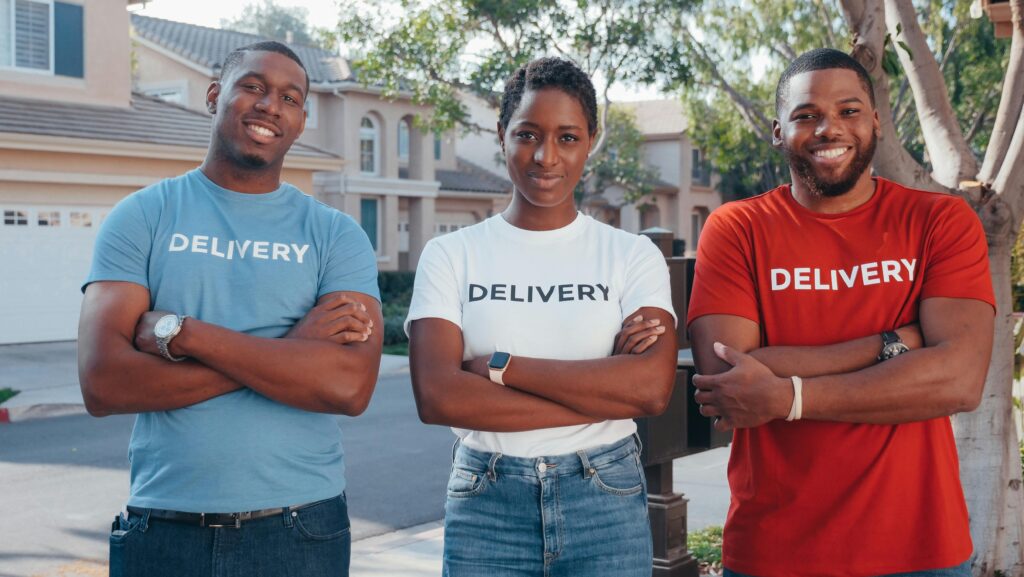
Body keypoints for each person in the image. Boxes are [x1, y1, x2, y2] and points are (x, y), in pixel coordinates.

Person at [77, 41, 383, 577]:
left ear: (301, 120)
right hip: (165, 526)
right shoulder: (143, 216)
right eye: (254, 87)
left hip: (300, 528)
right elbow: (104, 385)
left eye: (290, 97)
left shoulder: (336, 236)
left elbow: (348, 388)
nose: (271, 106)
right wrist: (290, 351)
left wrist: (186, 335)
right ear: (215, 96)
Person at [687, 48, 994, 577]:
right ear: (779, 131)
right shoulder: (738, 227)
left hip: (922, 552)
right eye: (806, 115)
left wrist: (786, 396)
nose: (829, 128)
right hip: (775, 552)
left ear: (875, 121)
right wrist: (894, 343)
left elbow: (959, 381)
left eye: (849, 110)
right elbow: (728, 383)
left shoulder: (940, 221)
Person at [406, 56, 678, 577]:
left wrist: (503, 367)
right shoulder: (452, 255)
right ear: (502, 133)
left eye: (568, 138)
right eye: (528, 134)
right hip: (486, 499)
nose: (546, 156)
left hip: (605, 495)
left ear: (591, 139)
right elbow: (438, 396)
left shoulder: (631, 255)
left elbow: (649, 390)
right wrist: (603, 396)